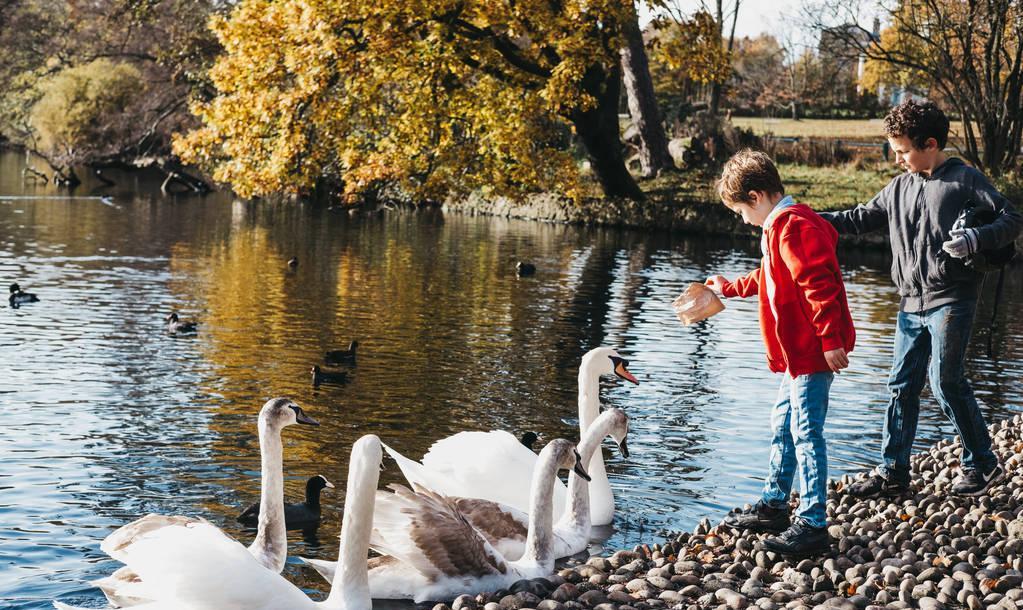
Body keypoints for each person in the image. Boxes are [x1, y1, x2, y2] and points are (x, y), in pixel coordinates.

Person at [819, 100, 1022, 498]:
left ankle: (981, 463)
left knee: (945, 382)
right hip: (910, 302)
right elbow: (858, 218)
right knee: (900, 386)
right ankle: (892, 473)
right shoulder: (899, 187)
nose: (897, 159)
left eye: (902, 150)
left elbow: (1011, 217)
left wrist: (975, 238)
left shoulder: (965, 180)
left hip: (952, 298)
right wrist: (807, 218)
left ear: (930, 144)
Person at [704, 149, 855, 555]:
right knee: (782, 424)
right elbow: (770, 275)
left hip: (811, 353)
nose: (742, 219)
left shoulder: (793, 228)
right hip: (796, 356)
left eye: (739, 211)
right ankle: (774, 505)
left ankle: (813, 523)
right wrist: (728, 288)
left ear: (756, 197)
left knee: (807, 434)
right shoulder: (778, 228)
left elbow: (818, 283)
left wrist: (830, 340)